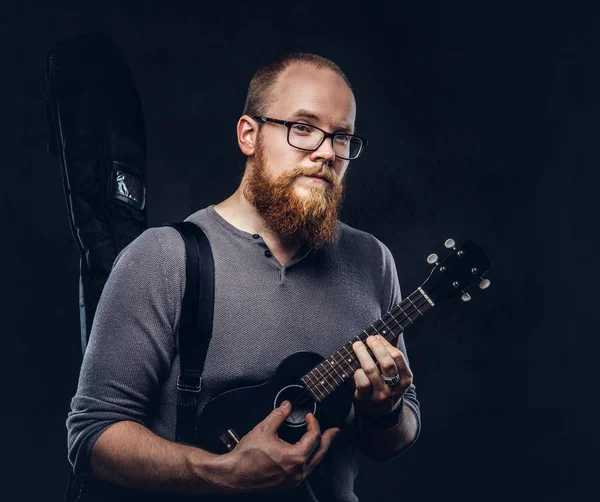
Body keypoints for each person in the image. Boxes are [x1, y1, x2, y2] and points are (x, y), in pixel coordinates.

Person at [66, 52, 421, 501]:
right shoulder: (162, 258)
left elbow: (394, 437)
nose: (327, 152)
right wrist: (223, 472)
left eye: (342, 137)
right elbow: (92, 437)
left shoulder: (372, 260)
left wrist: (385, 412)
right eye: (303, 128)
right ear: (249, 135)